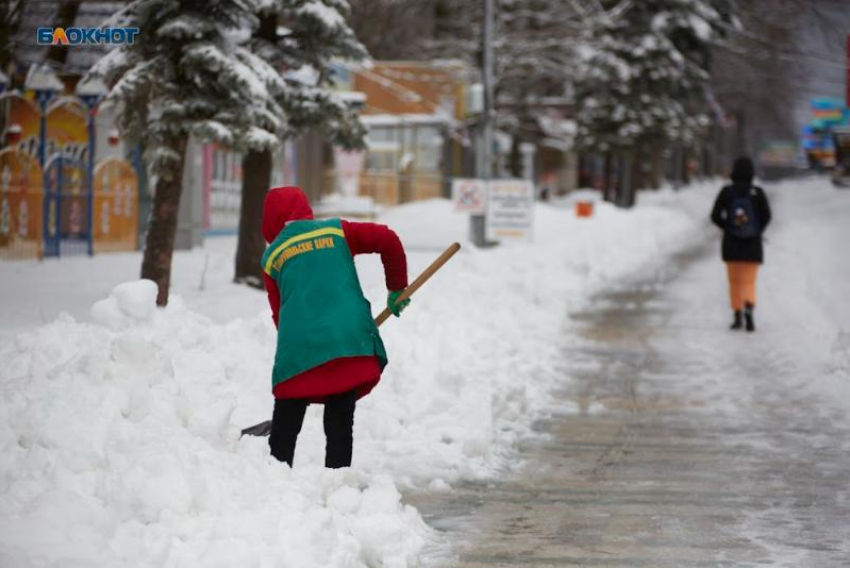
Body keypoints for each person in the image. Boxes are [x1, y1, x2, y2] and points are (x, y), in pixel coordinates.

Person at [260, 187, 409, 468]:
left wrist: (303, 346)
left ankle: (276, 478)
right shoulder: (338, 231)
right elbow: (387, 239)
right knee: (340, 415)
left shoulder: (272, 258)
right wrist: (397, 288)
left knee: (288, 415)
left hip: (301, 346)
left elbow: (280, 314)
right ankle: (338, 481)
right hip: (349, 339)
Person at [710, 157, 772, 332]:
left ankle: (737, 314)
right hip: (752, 246)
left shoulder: (727, 192)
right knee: (749, 281)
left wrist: (727, 228)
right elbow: (767, 216)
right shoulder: (757, 193)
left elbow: (714, 215)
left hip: (731, 245)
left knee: (734, 281)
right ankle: (749, 309)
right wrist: (757, 230)